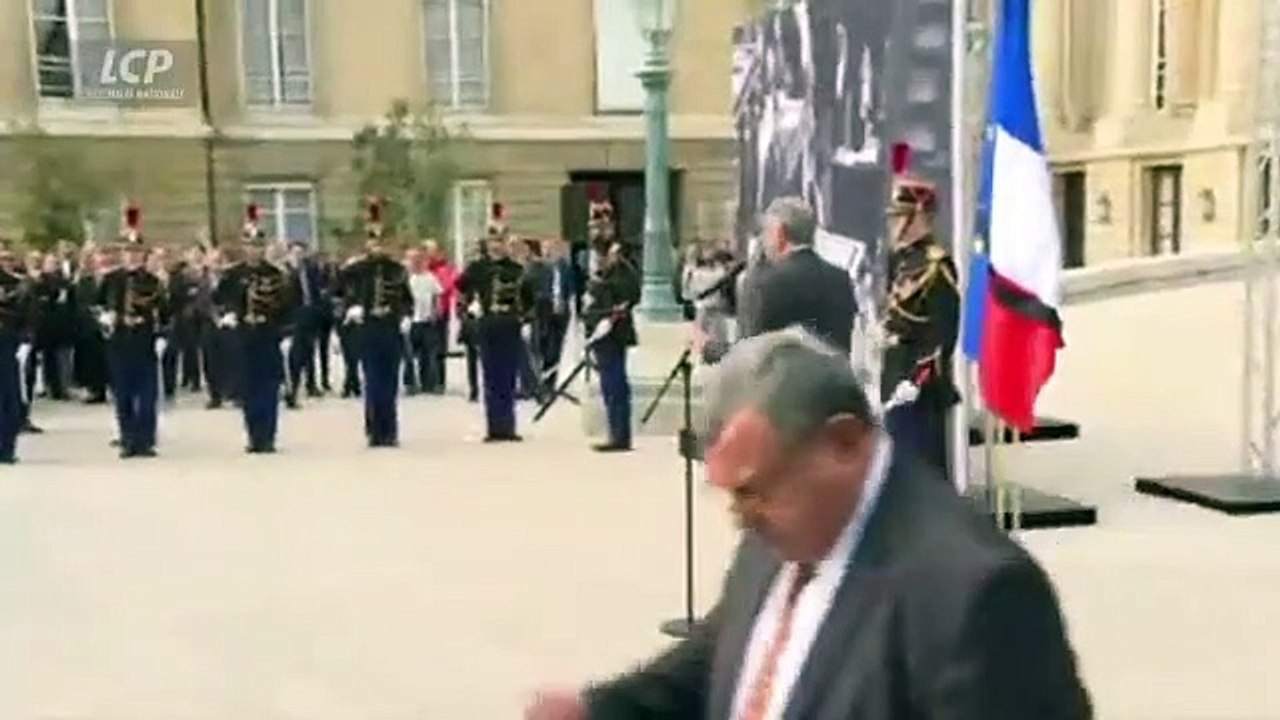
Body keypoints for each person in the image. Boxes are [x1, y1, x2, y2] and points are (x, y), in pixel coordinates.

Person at [526, 328, 1091, 720]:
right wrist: (594, 711)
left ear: (843, 443)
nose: (740, 517)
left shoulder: (977, 594)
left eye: (754, 489)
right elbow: (723, 658)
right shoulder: (784, 527)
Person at [880, 156, 961, 477]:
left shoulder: (936, 265)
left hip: (920, 390)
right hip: (894, 371)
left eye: (899, 216)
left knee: (922, 472)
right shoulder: (899, 260)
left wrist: (915, 380)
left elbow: (942, 335)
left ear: (917, 216)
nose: (893, 224)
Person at [95, 205, 170, 459]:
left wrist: (162, 337)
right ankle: (128, 439)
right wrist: (104, 317)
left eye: (137, 253)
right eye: (128, 252)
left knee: (147, 395)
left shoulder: (152, 281)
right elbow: (97, 305)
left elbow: (165, 313)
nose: (132, 257)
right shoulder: (111, 279)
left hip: (143, 338)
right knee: (123, 395)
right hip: (119, 340)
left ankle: (145, 440)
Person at [737, 196, 856, 355]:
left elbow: (747, 356)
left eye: (766, 232)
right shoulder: (840, 279)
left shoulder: (765, 284)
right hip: (834, 378)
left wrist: (708, 347)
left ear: (780, 233)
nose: (762, 240)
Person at [220, 210, 296, 454]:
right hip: (244, 335)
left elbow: (287, 306)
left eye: (258, 246)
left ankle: (268, 436)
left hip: (268, 334)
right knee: (248, 388)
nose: (254, 250)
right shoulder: (233, 275)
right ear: (244, 247)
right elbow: (219, 300)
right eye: (250, 245)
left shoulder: (275, 275)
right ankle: (254, 435)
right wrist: (227, 314)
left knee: (269, 387)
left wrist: (287, 333)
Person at [342, 199, 412, 448]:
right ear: (367, 243)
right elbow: (338, 290)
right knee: (372, 381)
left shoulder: (396, 269)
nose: (377, 246)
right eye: (373, 241)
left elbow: (405, 298)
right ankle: (374, 429)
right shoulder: (356, 269)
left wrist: (405, 316)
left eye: (381, 241)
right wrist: (351, 307)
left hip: (390, 328)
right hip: (368, 328)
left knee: (390, 382)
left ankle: (389, 431)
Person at [458, 217, 533, 443]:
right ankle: (494, 428)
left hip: (510, 324)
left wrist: (527, 321)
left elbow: (528, 299)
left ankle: (508, 426)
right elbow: (460, 289)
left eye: (500, 240)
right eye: (493, 241)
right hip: (488, 324)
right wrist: (468, 309)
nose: (496, 245)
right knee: (490, 377)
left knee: (508, 377)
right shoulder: (478, 268)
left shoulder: (517, 269)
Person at [582, 242, 639, 452]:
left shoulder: (622, 276)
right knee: (609, 387)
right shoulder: (601, 277)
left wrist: (622, 263)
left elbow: (631, 294)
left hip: (613, 336)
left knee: (616, 386)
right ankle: (615, 432)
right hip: (601, 338)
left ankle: (620, 435)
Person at [0, 238, 32, 464]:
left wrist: (25, 341)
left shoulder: (17, 285)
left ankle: (6, 447)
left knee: (7, 397)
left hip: (6, 343)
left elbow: (27, 316)